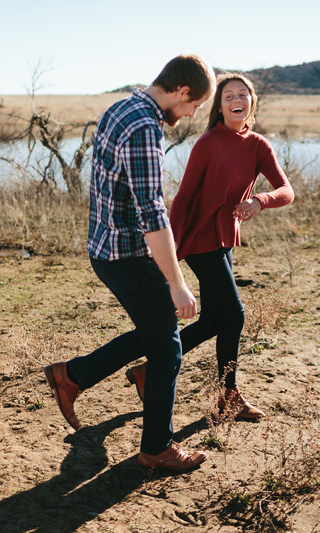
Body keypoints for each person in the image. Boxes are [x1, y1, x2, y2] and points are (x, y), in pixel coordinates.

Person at [43, 55, 216, 473]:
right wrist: (176, 283)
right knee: (168, 349)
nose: (194, 114)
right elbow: (153, 213)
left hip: (109, 249)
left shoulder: (124, 106)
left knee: (158, 334)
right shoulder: (143, 127)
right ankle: (157, 448)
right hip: (127, 255)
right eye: (196, 105)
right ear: (181, 91)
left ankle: (73, 376)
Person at [124, 72, 294, 421]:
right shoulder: (208, 143)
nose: (236, 100)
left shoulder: (259, 145)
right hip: (200, 239)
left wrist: (259, 201)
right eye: (228, 95)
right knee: (235, 315)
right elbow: (184, 198)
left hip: (224, 239)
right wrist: (168, 250)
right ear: (219, 105)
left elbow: (286, 190)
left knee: (215, 320)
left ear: (251, 103)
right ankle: (227, 395)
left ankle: (147, 372)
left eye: (243, 95)